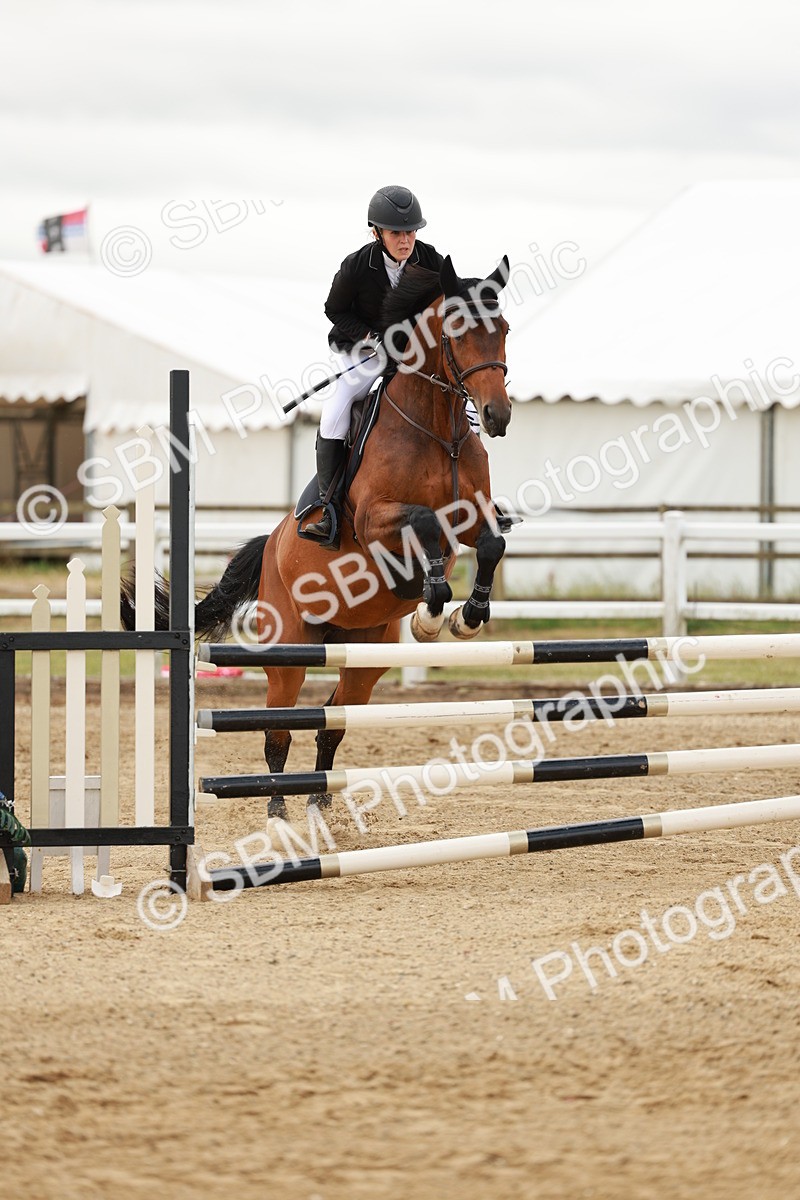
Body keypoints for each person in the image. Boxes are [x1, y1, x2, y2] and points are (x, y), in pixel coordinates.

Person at [303, 185, 445, 541]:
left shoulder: (430, 260)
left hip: (415, 357)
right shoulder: (356, 266)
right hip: (369, 354)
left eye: (411, 231)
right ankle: (330, 508)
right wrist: (370, 337)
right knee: (335, 411)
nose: (406, 239)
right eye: (397, 232)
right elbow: (333, 310)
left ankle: (480, 497)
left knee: (464, 404)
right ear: (376, 233)